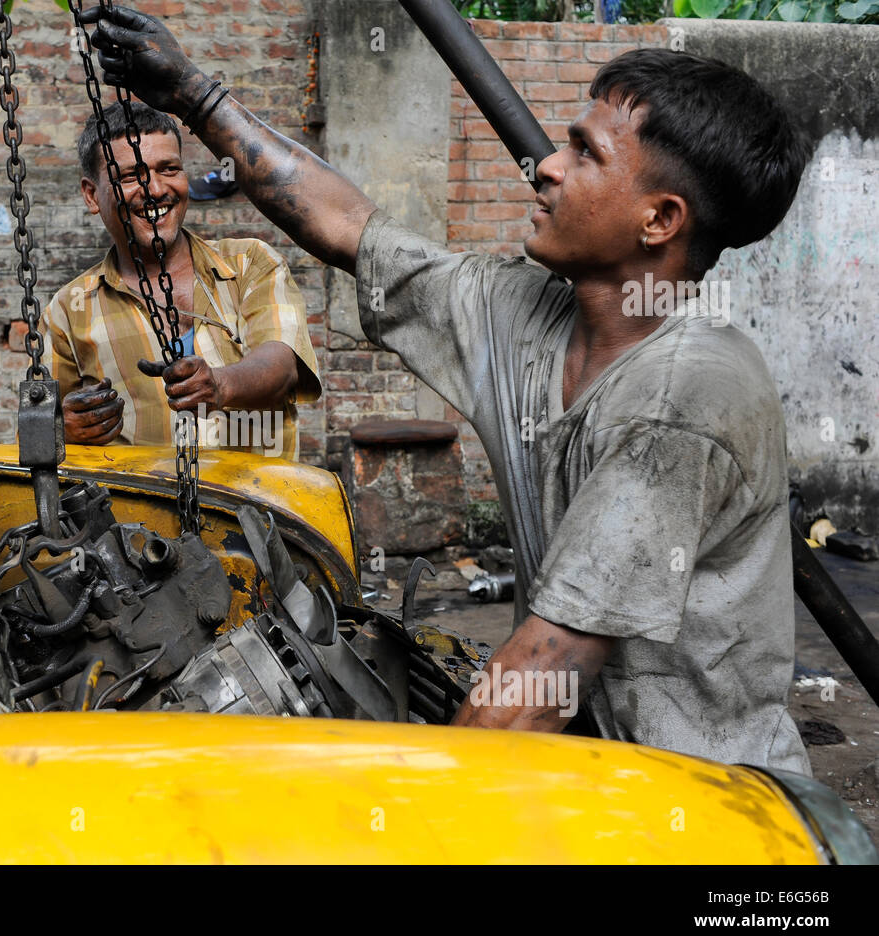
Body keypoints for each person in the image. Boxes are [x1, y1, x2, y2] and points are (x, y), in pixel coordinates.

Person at [79, 6, 814, 773]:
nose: (548, 168)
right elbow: (349, 227)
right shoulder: (527, 314)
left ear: (660, 219)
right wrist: (195, 95)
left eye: (584, 154)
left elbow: (538, 682)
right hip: (594, 767)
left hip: (708, 801)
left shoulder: (686, 396)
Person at [45, 102, 321, 461]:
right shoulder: (69, 310)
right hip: (138, 514)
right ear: (91, 195)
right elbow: (38, 430)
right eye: (130, 176)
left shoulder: (250, 263)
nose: (155, 189)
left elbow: (282, 367)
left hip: (257, 508)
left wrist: (220, 385)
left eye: (169, 169)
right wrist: (62, 430)